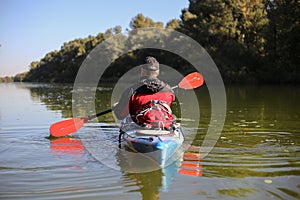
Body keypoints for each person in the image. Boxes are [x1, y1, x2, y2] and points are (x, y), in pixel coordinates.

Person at [113, 56, 175, 129]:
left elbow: (120, 115)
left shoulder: (131, 91)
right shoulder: (169, 91)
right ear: (158, 72)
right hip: (163, 127)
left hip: (140, 126)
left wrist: (116, 107)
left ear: (143, 71)